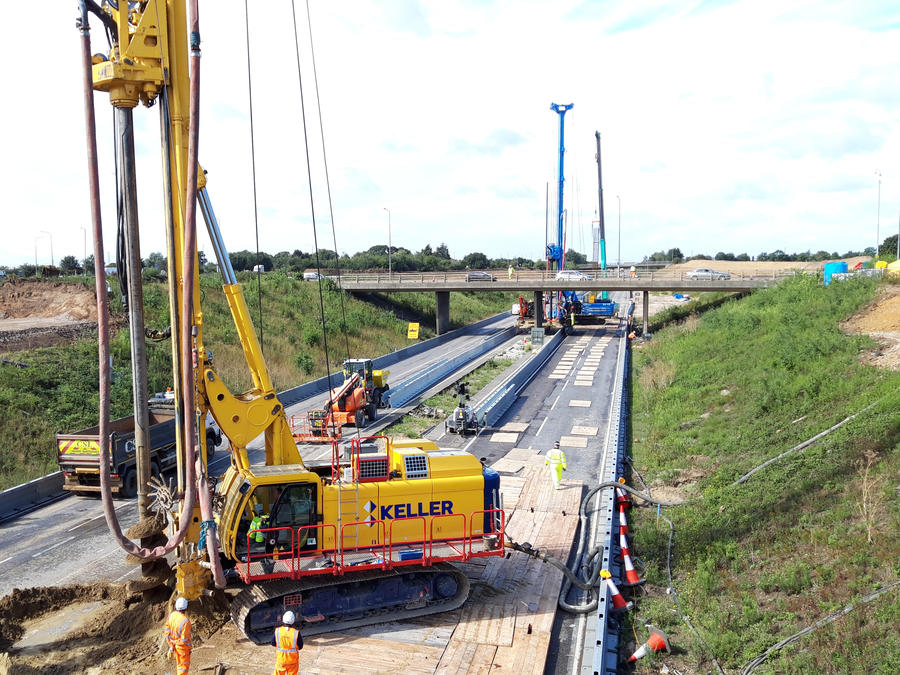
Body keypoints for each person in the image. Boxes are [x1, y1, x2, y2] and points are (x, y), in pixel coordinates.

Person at [164, 597, 192, 674]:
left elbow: (167, 632)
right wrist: (175, 642)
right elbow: (184, 640)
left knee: (179, 665)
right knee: (183, 669)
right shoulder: (186, 622)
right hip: (183, 649)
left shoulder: (171, 615)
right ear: (186, 608)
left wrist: (171, 645)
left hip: (175, 647)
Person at [271, 610, 303, 675]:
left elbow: (273, 643)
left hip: (281, 659)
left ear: (283, 619)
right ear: (293, 621)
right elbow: (300, 646)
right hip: (292, 660)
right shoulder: (296, 632)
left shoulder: (277, 631)